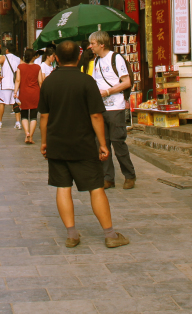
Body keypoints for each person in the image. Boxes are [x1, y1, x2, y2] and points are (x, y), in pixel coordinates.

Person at [39, 39, 129, 249]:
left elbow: (44, 116)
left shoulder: (49, 82)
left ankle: (72, 235)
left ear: (57, 59)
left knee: (63, 188)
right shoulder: (87, 82)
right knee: (96, 188)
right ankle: (110, 235)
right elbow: (96, 116)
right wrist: (103, 144)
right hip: (83, 144)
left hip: (57, 143)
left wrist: (44, 142)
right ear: (78, 58)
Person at [88, 30, 136, 190]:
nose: (91, 47)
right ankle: (108, 177)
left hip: (115, 107)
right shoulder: (96, 62)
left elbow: (126, 82)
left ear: (102, 44)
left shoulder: (116, 59)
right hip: (101, 108)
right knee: (102, 143)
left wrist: (107, 92)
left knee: (118, 142)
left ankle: (129, 175)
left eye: (93, 44)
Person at [16, 48, 43, 144]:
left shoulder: (20, 67)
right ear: (32, 57)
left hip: (24, 93)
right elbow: (40, 81)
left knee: (24, 114)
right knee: (33, 116)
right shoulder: (37, 67)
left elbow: (18, 80)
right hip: (35, 93)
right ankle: (30, 136)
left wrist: (15, 92)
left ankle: (26, 132)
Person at [0, 44, 22, 130]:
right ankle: (18, 122)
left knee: (2, 103)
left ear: (7, 50)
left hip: (5, 83)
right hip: (15, 84)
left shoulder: (4, 57)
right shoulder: (18, 59)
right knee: (16, 103)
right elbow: (24, 66)